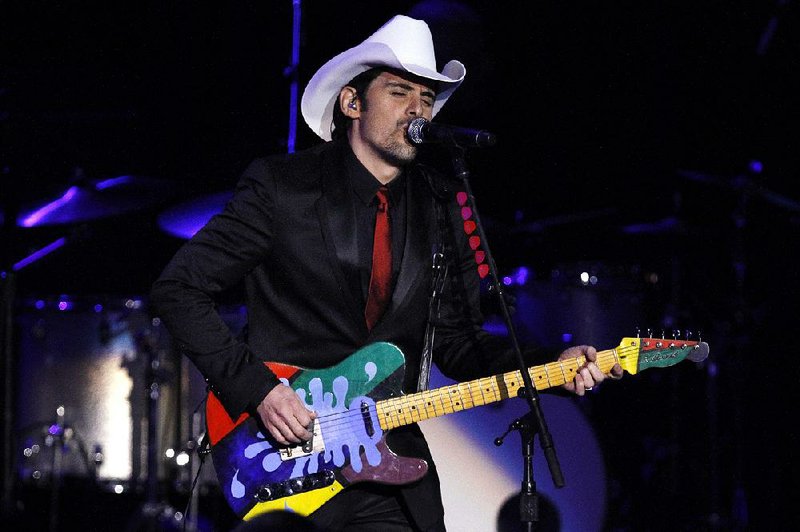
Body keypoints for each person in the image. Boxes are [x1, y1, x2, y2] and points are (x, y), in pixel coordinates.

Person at [149, 14, 622, 532]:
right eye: (400, 91)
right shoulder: (284, 187)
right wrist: (258, 389)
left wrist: (551, 364)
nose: (418, 108)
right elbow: (179, 288)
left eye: (427, 97)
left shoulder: (444, 205)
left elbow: (462, 342)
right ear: (353, 104)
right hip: (284, 452)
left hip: (388, 457)